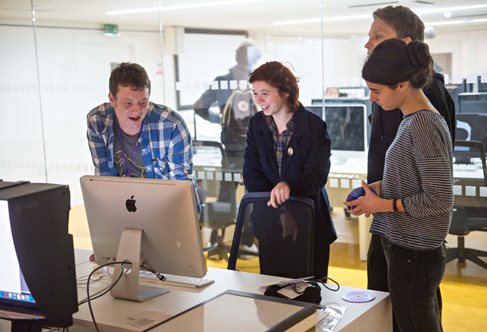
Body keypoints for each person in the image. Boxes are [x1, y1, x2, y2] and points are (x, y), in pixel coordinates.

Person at [346, 38, 453, 332]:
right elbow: (417, 180)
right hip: (408, 250)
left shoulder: (422, 125)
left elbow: (439, 199)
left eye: (376, 91)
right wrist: (382, 188)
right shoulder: (412, 120)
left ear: (402, 85)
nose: (372, 98)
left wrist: (380, 205)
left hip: (415, 255)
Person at [243, 61, 336, 278]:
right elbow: (252, 173)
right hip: (270, 222)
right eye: (255, 93)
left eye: (265, 93)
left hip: (309, 223)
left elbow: (316, 176)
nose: (259, 100)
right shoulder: (257, 124)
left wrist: (288, 188)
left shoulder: (314, 126)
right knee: (271, 297)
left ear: (286, 91)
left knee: (311, 297)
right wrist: (280, 210)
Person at [87, 62, 196, 183]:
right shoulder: (97, 122)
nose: (137, 110)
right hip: (121, 200)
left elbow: (181, 188)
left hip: (164, 201)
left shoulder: (172, 126)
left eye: (143, 102)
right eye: (128, 103)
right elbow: (104, 181)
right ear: (112, 99)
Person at [193, 39, 263, 171]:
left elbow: (199, 107)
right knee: (254, 186)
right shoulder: (260, 82)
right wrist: (221, 119)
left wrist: (221, 119)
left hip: (233, 143)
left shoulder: (223, 81)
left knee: (228, 186)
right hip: (252, 143)